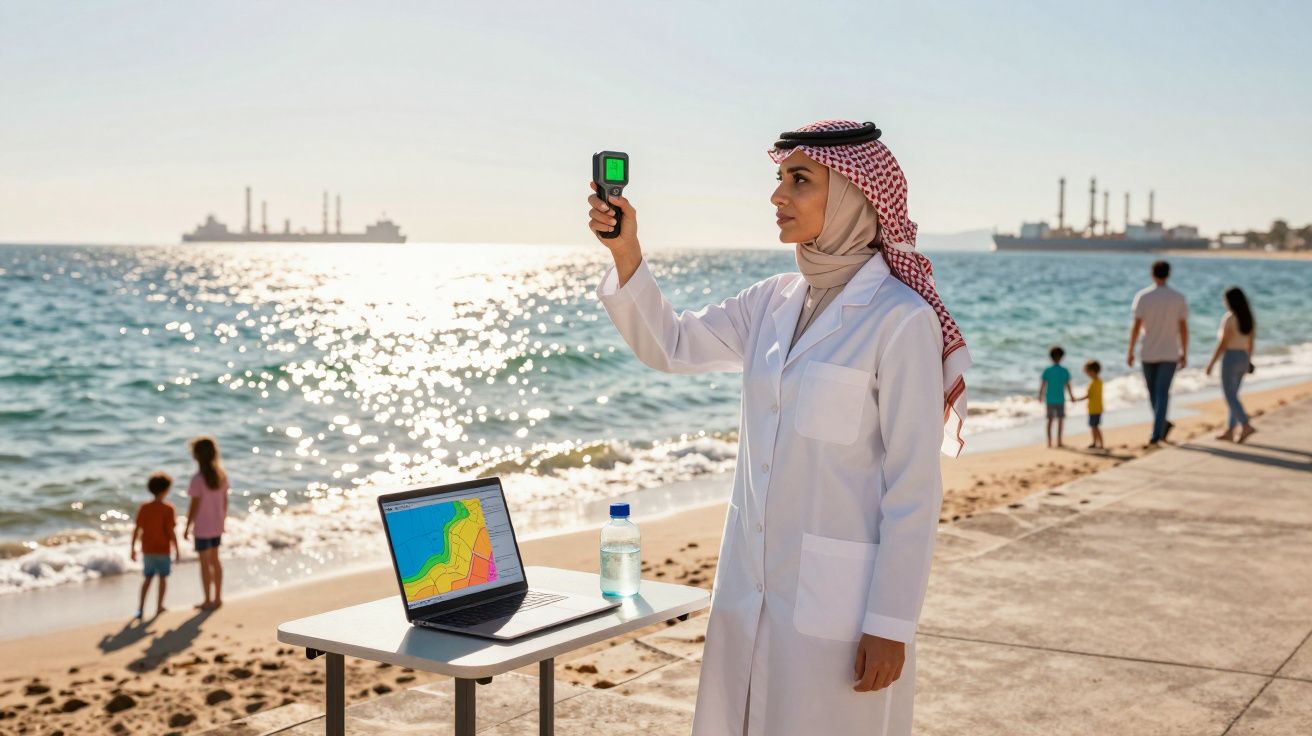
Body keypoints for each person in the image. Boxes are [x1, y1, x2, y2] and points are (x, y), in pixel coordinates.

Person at [589, 120, 970, 736]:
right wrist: (627, 254)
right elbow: (675, 344)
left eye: (799, 180)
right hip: (749, 588)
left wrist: (891, 624)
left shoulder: (901, 321)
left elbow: (913, 487)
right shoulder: (771, 300)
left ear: (852, 195)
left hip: (842, 609)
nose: (777, 196)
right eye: (779, 179)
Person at [1127, 260, 1188, 447]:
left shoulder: (1143, 297)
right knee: (1159, 393)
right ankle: (1162, 425)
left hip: (1149, 351)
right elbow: (1183, 328)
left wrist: (1130, 351)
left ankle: (1156, 433)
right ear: (1168, 274)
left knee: (1155, 393)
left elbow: (1136, 328)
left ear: (1152, 274)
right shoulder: (1178, 298)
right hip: (1169, 352)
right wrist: (1184, 351)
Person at [1205, 286, 1257, 443]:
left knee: (1230, 396)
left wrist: (1211, 363)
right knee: (1234, 396)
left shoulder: (1229, 318)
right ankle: (1230, 430)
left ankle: (1245, 424)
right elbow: (1251, 343)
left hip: (1231, 357)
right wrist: (1248, 360)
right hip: (1243, 357)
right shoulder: (1248, 318)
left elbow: (1223, 343)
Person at [183, 436, 229, 610]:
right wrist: (222, 520)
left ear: (197, 456)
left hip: (202, 528)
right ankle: (218, 597)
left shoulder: (197, 479)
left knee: (204, 563)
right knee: (215, 561)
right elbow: (225, 501)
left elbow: (193, 506)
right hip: (216, 525)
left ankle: (207, 599)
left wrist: (187, 526)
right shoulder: (221, 476)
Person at [130, 471, 179, 619]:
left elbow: (137, 529)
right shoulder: (168, 509)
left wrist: (132, 548)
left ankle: (140, 608)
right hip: (163, 550)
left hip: (148, 550)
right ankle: (159, 607)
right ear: (166, 490)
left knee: (147, 578)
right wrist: (177, 549)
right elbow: (170, 531)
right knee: (163, 579)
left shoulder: (144, 507)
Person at [1038, 346, 1076, 448]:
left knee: (1050, 421)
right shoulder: (1064, 370)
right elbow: (1068, 385)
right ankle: (1059, 441)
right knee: (1060, 421)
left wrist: (1040, 395)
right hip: (1060, 399)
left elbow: (1043, 384)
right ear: (1062, 357)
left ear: (1050, 357)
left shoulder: (1048, 370)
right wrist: (1072, 396)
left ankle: (1049, 442)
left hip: (1049, 399)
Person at [1081, 360, 1105, 450]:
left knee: (1095, 427)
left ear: (1092, 371)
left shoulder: (1093, 383)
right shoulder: (1100, 381)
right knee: (1094, 426)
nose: (1087, 374)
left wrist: (1077, 399)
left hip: (1094, 408)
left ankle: (1100, 443)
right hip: (1098, 408)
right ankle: (1095, 442)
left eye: (1087, 371)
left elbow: (1088, 396)